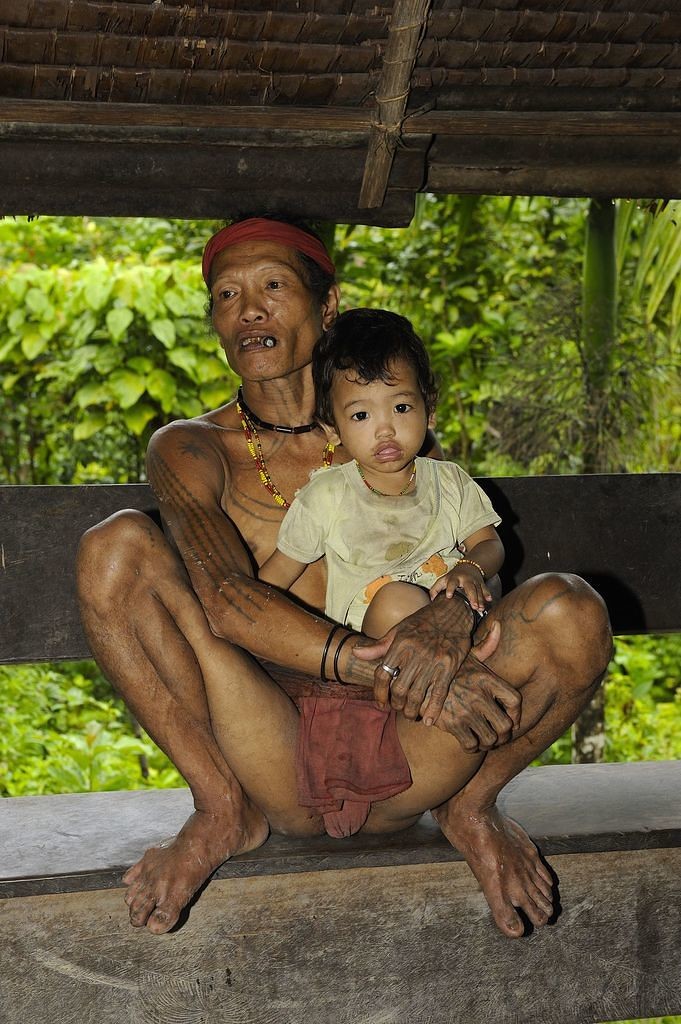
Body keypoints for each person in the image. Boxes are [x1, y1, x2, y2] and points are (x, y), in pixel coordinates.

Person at [76, 215, 613, 940]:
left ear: (325, 308)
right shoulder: (190, 447)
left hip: (417, 741)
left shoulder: (382, 422)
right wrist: (393, 666)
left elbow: (456, 550)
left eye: (272, 286)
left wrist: (451, 620)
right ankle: (219, 808)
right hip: (267, 744)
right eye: (227, 296)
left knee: (570, 610)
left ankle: (470, 805)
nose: (249, 310)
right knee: (113, 546)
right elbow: (228, 603)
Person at [259, 307, 504, 643]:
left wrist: (470, 569)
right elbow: (270, 584)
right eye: (361, 415)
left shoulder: (449, 480)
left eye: (401, 408)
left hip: (459, 622)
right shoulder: (328, 495)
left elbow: (489, 544)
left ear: (428, 410)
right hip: (379, 644)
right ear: (332, 429)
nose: (385, 430)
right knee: (397, 601)